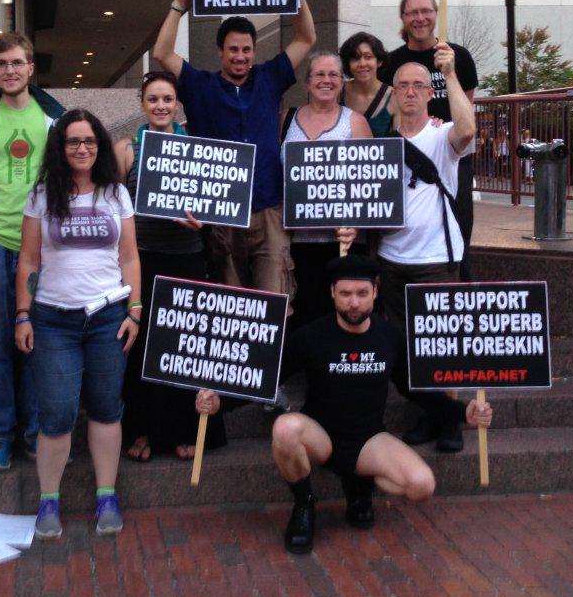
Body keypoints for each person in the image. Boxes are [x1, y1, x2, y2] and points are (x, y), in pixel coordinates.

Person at [196, 255, 493, 555]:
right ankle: (304, 505)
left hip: (368, 440)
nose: (354, 303)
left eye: (362, 294)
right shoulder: (312, 336)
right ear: (332, 293)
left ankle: (359, 484)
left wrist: (461, 412)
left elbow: (413, 390)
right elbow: (265, 377)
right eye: (346, 294)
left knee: (422, 485)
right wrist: (221, 402)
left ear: (376, 292)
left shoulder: (388, 336)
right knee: (285, 428)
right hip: (320, 437)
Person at [152, 0, 315, 299]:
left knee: (274, 301)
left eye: (246, 50)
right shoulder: (199, 85)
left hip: (269, 208)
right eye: (233, 50)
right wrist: (178, 4)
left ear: (255, 51)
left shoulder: (270, 77)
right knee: (231, 305)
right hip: (222, 214)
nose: (240, 56)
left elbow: (306, 37)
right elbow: (162, 52)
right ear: (220, 51)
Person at [15, 109, 141, 539]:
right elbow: (29, 259)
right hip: (53, 319)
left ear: (100, 146)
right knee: (57, 413)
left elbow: (129, 258)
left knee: (106, 408)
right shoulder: (43, 194)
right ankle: (48, 500)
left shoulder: (115, 194)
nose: (82, 148)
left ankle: (107, 494)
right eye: (73, 142)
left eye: (90, 141)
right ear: (60, 147)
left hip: (108, 315)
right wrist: (23, 314)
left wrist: (135, 311)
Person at [0, 32, 65, 471]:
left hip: (40, 247)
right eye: (1, 63)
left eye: (17, 63)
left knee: (37, 341)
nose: (9, 70)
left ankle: (34, 431)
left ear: (30, 68)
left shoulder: (53, 116)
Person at [114, 70, 226, 462]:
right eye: (153, 99)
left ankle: (185, 429)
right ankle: (142, 429)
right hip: (141, 259)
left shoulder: (196, 146)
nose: (160, 106)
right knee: (142, 345)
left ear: (176, 103)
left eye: (167, 99)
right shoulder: (127, 148)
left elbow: (216, 204)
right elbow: (113, 206)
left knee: (186, 344)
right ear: (141, 104)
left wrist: (204, 220)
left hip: (187, 257)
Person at [378, 49, 476, 452]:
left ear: (428, 92)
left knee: (442, 343)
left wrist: (449, 74)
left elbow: (468, 130)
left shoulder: (441, 134)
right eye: (404, 85)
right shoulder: (381, 143)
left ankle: (450, 421)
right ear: (394, 94)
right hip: (391, 259)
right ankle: (429, 413)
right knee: (406, 348)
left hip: (434, 258)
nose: (412, 92)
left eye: (419, 85)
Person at [379, 0, 478, 282]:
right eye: (412, 12)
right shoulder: (392, 61)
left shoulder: (457, 56)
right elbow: (389, 108)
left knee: (458, 230)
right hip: (408, 152)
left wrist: (449, 73)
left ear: (436, 14)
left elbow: (466, 112)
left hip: (448, 150)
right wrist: (415, 124)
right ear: (403, 18)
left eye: (425, 11)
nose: (419, 18)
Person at [280, 52, 372, 330]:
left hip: (343, 242)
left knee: (341, 319)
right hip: (296, 241)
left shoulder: (354, 122)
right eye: (319, 74)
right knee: (303, 317)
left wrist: (356, 223)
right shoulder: (285, 119)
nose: (326, 80)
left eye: (333, 75)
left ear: (342, 83)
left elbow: (371, 182)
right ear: (307, 82)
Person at [338, 32, 396, 137]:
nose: (362, 64)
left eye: (368, 57)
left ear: (379, 61)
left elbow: (400, 145)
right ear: (348, 64)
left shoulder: (394, 97)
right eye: (355, 58)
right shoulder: (338, 92)